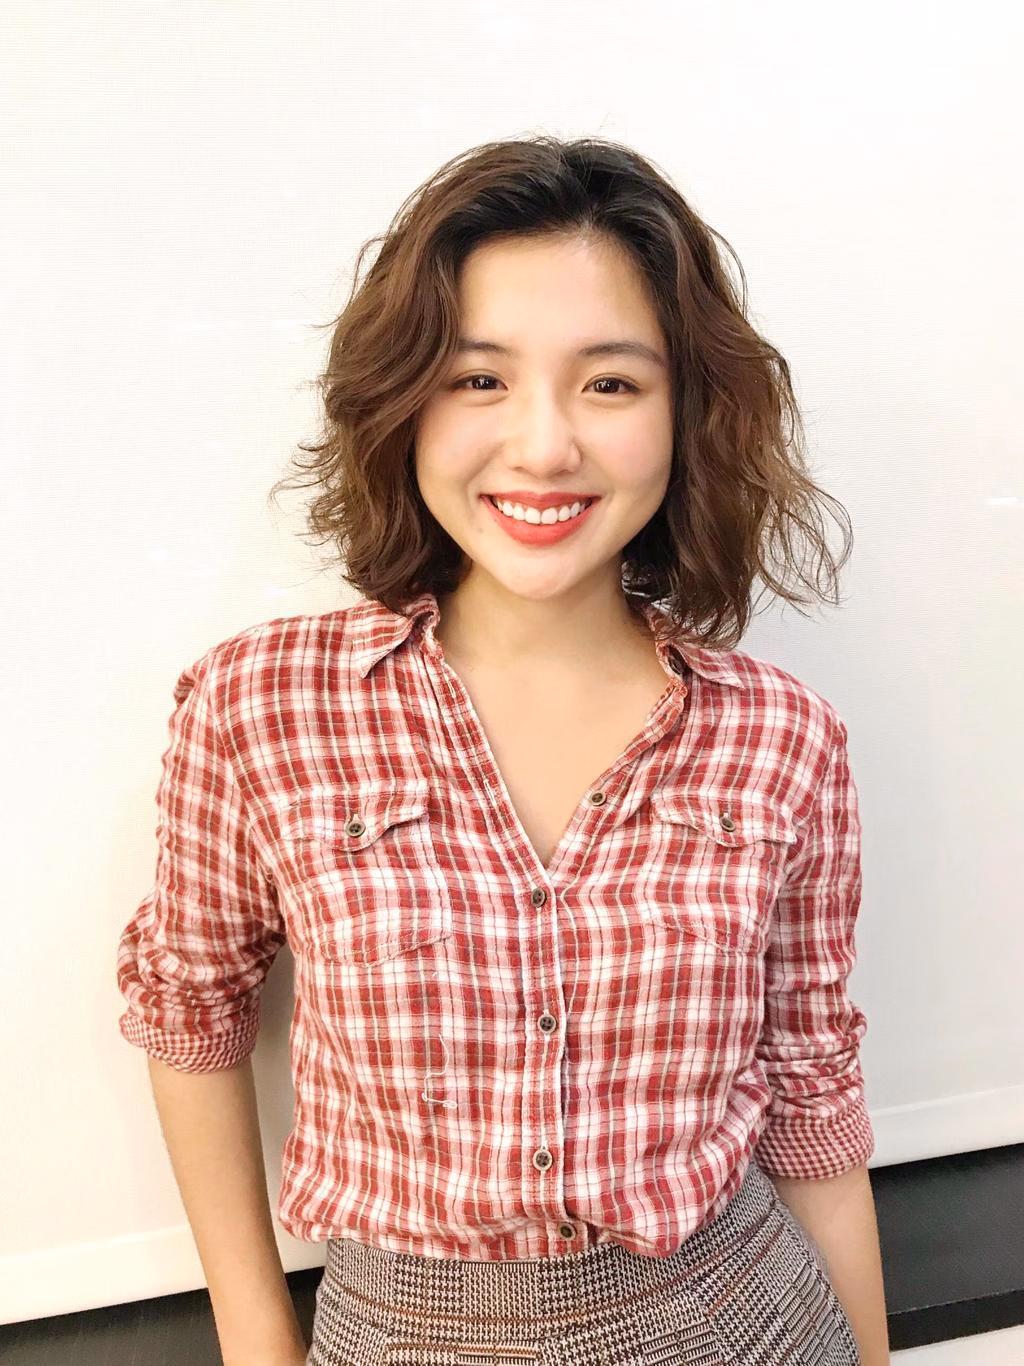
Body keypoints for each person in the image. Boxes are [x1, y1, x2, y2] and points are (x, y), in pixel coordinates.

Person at [116, 135, 890, 1365]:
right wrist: (257, 1337)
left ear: (685, 416)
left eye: (610, 383)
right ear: (404, 400)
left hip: (743, 1322)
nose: (541, 446)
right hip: (398, 1333)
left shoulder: (779, 736)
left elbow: (811, 1097)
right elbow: (189, 1013)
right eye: (479, 378)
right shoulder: (260, 705)